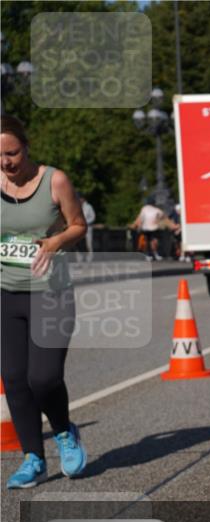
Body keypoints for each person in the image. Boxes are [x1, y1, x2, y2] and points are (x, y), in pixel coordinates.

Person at [1, 114, 88, 489]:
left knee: (44, 377)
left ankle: (65, 430)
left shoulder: (55, 180)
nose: (6, 162)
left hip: (50, 293)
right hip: (6, 294)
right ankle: (33, 458)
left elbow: (78, 224)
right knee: (15, 379)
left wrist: (54, 242)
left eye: (12, 153)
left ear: (26, 146)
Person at [79, 194, 95, 262]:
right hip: (79, 228)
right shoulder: (77, 206)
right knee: (79, 245)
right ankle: (80, 259)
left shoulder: (88, 207)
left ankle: (89, 258)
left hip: (88, 227)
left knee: (88, 243)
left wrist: (85, 222)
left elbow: (93, 217)